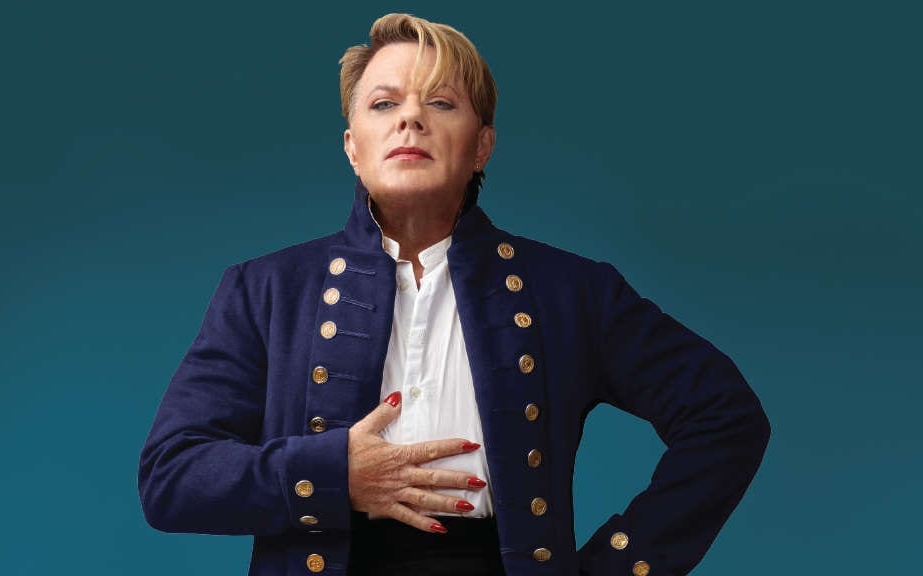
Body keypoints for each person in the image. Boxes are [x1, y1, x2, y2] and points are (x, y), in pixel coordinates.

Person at [138, 13, 770, 576]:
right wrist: (333, 474)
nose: (410, 117)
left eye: (441, 102)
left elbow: (726, 417)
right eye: (383, 103)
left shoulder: (572, 291)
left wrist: (620, 565)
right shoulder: (265, 289)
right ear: (353, 147)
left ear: (481, 147)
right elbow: (171, 477)